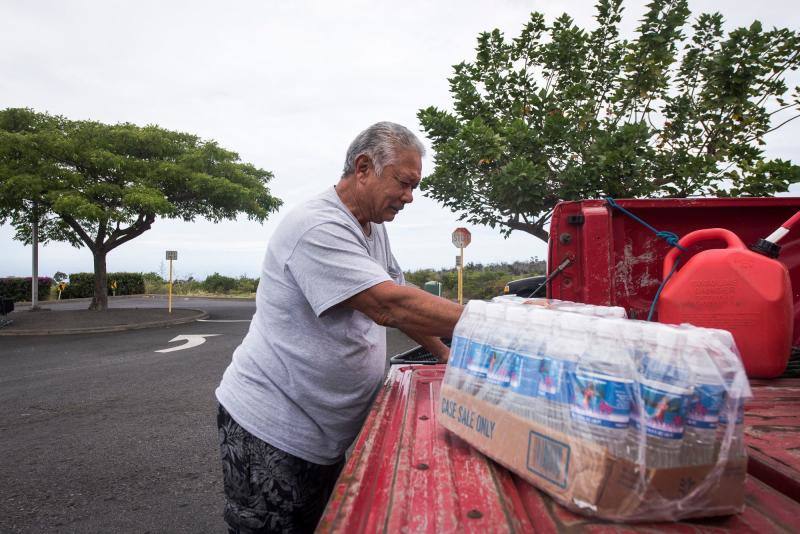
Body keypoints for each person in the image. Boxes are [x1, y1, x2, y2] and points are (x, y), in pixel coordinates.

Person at [215, 122, 464, 533]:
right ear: (363, 167)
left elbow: (397, 291)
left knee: (319, 523)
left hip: (323, 435)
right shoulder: (317, 225)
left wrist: (444, 355)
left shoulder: (373, 227)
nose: (410, 197)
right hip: (273, 427)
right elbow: (388, 306)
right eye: (404, 183)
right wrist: (496, 321)